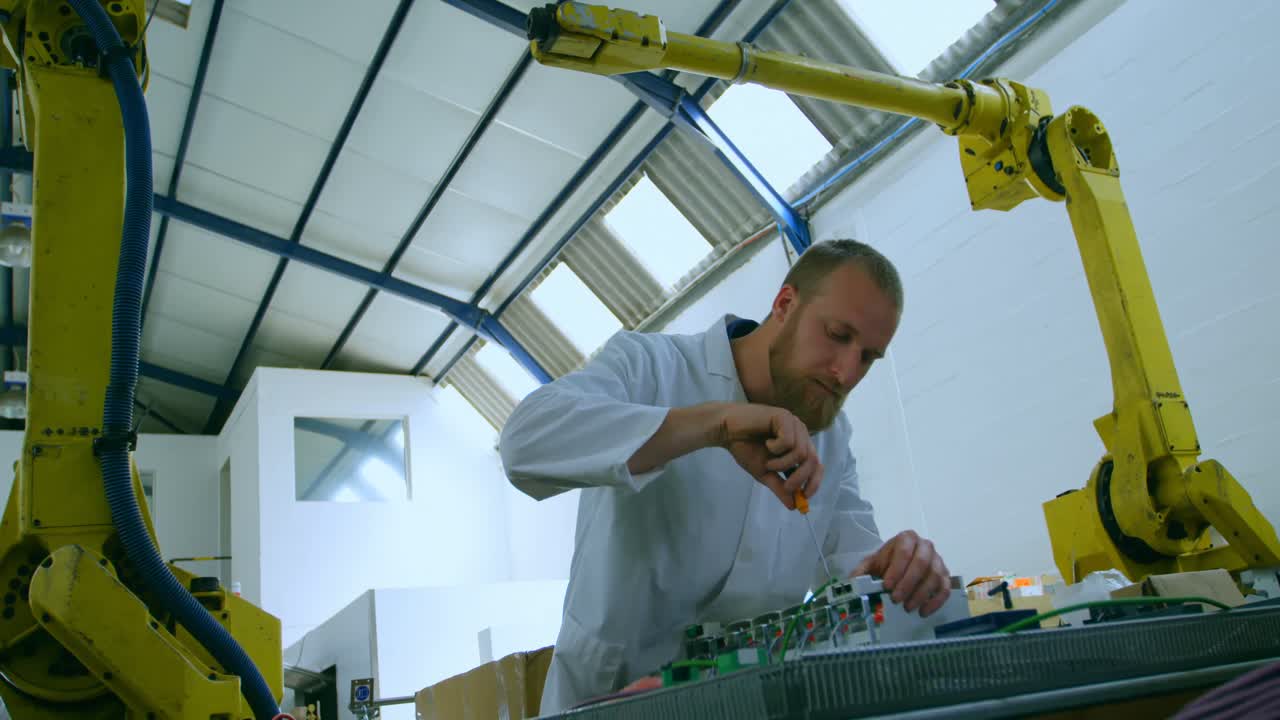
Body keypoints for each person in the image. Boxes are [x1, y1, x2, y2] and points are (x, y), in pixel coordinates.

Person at [498, 239, 951, 715]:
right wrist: (715, 425)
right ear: (785, 304)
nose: (845, 372)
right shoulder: (651, 368)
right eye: (838, 335)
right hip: (606, 705)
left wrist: (897, 568)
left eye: (868, 357)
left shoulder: (831, 440)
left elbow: (855, 569)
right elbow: (524, 441)